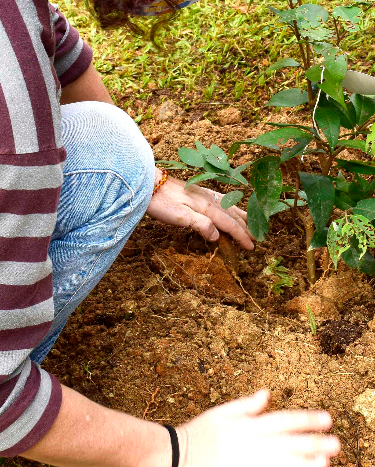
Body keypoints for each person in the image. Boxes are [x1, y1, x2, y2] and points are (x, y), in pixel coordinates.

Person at [0, 0, 340, 465]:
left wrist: (145, 177)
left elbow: (55, 41)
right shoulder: (16, 134)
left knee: (114, 152)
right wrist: (174, 450)